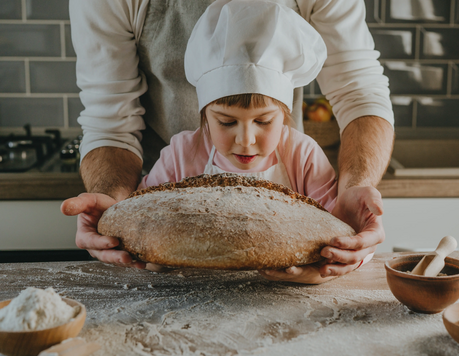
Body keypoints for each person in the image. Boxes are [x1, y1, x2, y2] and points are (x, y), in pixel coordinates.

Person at [62, 0, 395, 281]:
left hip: (288, 283)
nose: (246, 140)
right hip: (171, 275)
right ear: (204, 115)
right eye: (225, 121)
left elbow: (359, 91)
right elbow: (110, 119)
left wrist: (353, 205)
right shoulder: (180, 154)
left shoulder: (301, 156)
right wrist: (113, 209)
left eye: (264, 121)